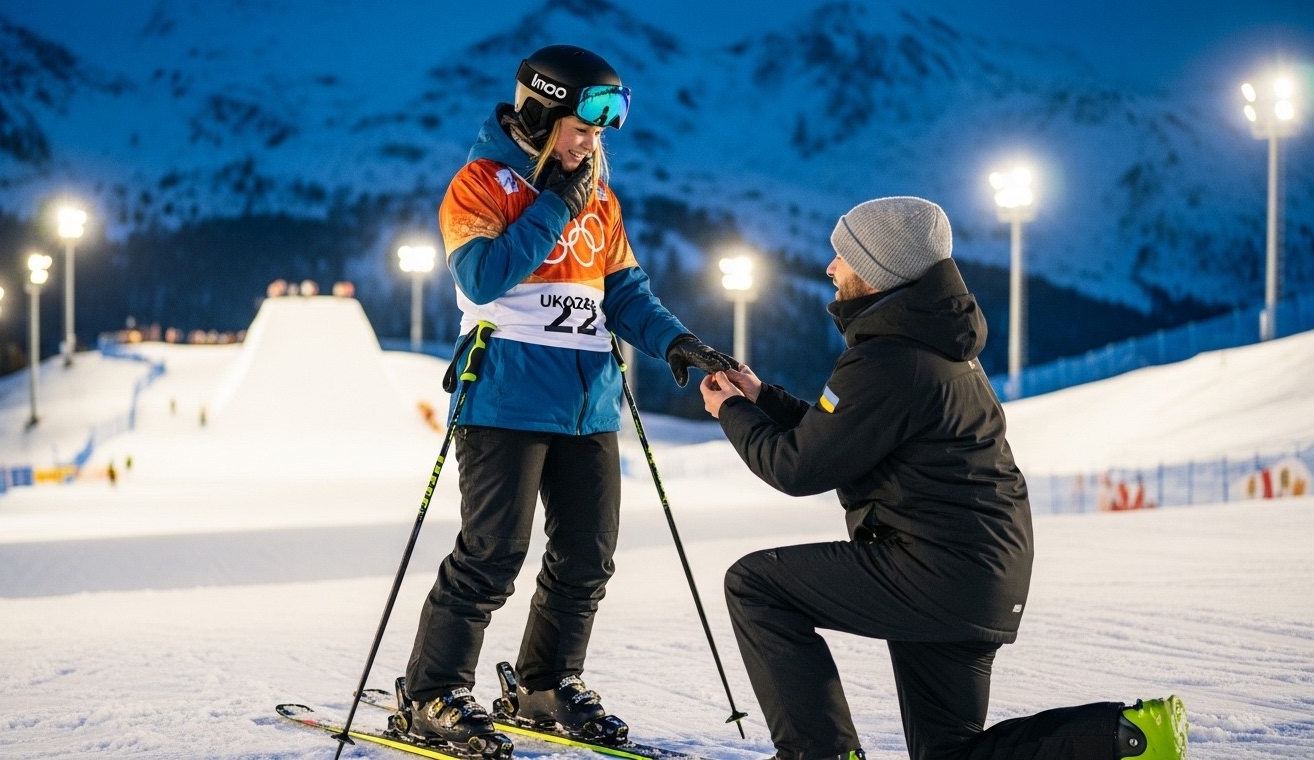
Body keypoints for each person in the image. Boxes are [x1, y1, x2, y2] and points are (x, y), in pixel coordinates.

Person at [698, 196, 1188, 760]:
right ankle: (1126, 736)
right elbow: (839, 434)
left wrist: (729, 412)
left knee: (756, 584)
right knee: (949, 754)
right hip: (975, 575)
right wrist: (761, 398)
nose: (829, 269)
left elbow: (797, 466)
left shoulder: (889, 359)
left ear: (879, 270)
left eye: (842, 256)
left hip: (935, 570)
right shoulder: (931, 346)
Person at [401, 44, 737, 749]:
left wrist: (679, 344)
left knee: (587, 555)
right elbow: (485, 276)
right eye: (582, 129)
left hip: (588, 402)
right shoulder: (481, 185)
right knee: (492, 553)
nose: (592, 144)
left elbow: (625, 294)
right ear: (540, 112)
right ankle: (433, 692)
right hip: (506, 397)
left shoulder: (599, 198)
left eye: (600, 133)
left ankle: (546, 684)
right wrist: (555, 204)